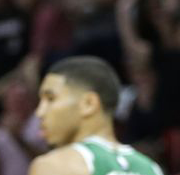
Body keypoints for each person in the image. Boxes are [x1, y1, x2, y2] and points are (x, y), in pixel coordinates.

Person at [29, 56, 164, 175]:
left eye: (50, 99)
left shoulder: (54, 166)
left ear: (89, 103)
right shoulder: (151, 168)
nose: (39, 112)